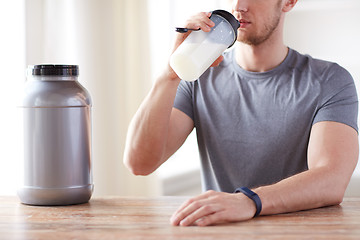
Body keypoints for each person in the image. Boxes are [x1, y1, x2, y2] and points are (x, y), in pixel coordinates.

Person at [123, 0, 359, 226]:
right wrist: (169, 74)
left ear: (289, 2)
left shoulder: (330, 81)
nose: (239, 6)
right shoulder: (198, 77)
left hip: (298, 232)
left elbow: (331, 180)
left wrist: (248, 201)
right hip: (221, 230)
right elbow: (139, 163)